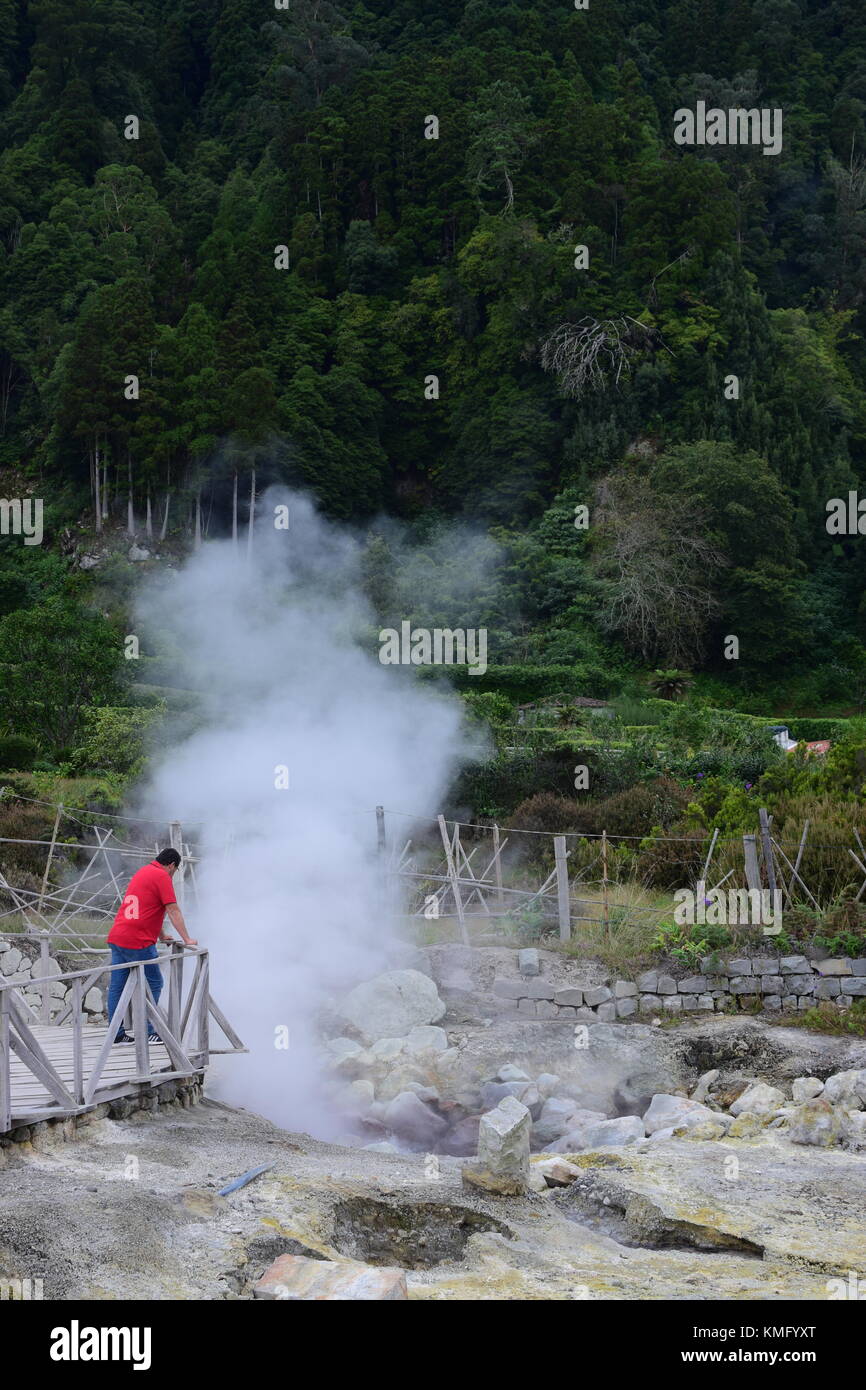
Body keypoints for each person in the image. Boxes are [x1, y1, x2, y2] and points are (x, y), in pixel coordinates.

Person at [106, 848, 198, 1044]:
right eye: (175, 870)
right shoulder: (162, 876)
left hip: (118, 936)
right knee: (154, 983)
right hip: (137, 941)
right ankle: (148, 1031)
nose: (173, 875)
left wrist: (162, 934)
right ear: (172, 865)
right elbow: (173, 910)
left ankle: (116, 1034)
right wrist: (187, 939)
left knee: (117, 988)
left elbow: (145, 909)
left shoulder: (143, 872)